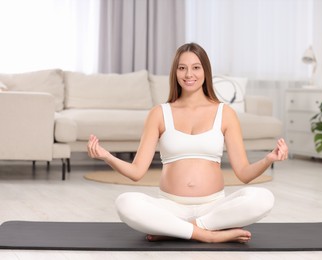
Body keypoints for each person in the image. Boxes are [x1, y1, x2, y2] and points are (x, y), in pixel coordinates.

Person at [87, 42, 288, 243]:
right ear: (175, 72)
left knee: (263, 198)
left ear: (205, 71)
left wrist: (268, 159)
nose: (188, 74)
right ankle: (209, 236)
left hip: (213, 207)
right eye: (182, 68)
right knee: (125, 202)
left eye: (196, 67)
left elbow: (244, 173)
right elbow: (137, 172)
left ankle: (183, 229)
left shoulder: (225, 113)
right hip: (170, 206)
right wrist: (106, 156)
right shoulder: (159, 113)